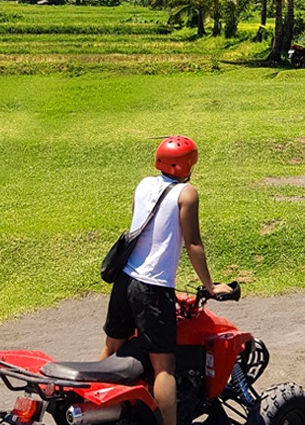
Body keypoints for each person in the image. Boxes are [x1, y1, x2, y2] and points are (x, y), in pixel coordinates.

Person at [100, 135, 231, 425]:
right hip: (153, 287)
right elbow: (193, 243)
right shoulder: (187, 193)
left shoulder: (144, 185)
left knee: (112, 348)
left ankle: (97, 411)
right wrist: (211, 286)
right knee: (164, 367)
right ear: (187, 165)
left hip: (125, 279)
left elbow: (141, 229)